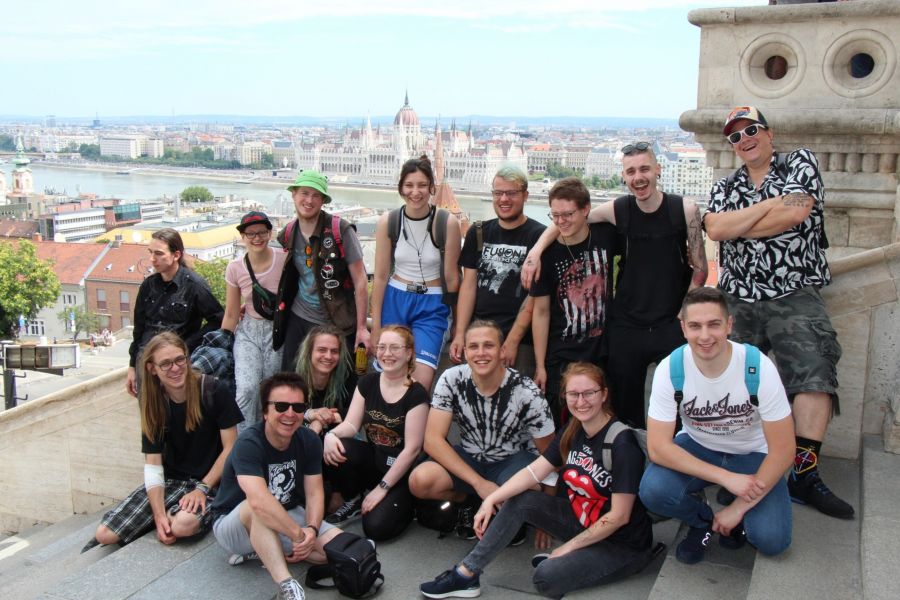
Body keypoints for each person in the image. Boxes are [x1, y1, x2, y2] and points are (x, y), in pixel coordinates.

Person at [703, 106, 853, 519]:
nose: (744, 139)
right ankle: (736, 464)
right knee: (727, 379)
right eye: (735, 136)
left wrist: (741, 222)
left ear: (768, 133)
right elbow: (715, 229)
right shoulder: (724, 185)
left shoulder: (799, 163)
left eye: (751, 130)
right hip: (738, 297)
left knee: (815, 373)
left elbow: (796, 213)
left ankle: (803, 475)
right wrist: (768, 210)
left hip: (793, 292)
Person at [419, 362, 653, 599]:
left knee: (546, 578)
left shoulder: (622, 444)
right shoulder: (574, 430)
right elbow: (533, 472)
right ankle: (466, 573)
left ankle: (575, 558)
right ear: (565, 396)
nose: (581, 401)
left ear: (603, 394)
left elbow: (619, 516)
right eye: (573, 394)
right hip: (584, 521)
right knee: (522, 499)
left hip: (623, 544)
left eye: (589, 393)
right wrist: (491, 499)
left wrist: (569, 546)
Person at [522, 143, 707, 428]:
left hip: (670, 321)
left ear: (658, 169)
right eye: (631, 171)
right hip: (626, 326)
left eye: (644, 169)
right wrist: (536, 251)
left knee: (681, 403)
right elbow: (565, 219)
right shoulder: (619, 210)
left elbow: (700, 269)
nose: (638, 177)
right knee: (626, 409)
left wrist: (685, 315)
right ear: (624, 175)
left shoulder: (684, 209)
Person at [639, 287, 794, 564]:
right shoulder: (671, 368)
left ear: (729, 324)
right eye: (695, 326)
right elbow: (658, 448)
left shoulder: (757, 367)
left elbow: (783, 450)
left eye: (714, 324)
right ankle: (703, 521)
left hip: (753, 454)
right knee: (653, 490)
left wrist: (737, 508)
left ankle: (736, 520)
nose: (705, 336)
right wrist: (725, 478)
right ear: (684, 328)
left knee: (773, 540)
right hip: (699, 446)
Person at [86, 332, 242, 551]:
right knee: (104, 535)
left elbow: (231, 447)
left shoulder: (213, 390)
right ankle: (168, 512)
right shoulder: (153, 401)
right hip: (172, 482)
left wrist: (202, 488)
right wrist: (159, 517)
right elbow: (153, 463)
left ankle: (186, 512)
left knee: (182, 526)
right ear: (152, 368)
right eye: (166, 364)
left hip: (212, 482)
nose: (175, 368)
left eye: (180, 360)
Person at [408, 320, 555, 538]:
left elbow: (551, 454)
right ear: (465, 352)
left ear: (502, 350)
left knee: (527, 492)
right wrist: (480, 484)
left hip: (513, 460)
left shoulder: (526, 391)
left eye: (489, 345)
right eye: (474, 347)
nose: (481, 353)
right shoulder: (451, 379)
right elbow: (432, 440)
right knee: (420, 481)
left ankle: (510, 511)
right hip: (471, 457)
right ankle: (471, 502)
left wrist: (547, 515)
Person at [210, 372, 345, 600]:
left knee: (338, 551)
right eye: (281, 406)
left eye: (298, 407)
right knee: (257, 508)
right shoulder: (249, 443)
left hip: (287, 513)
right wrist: (298, 536)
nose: (290, 414)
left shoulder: (309, 440)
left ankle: (270, 550)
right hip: (236, 523)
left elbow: (314, 492)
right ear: (265, 411)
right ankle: (287, 586)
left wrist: (311, 529)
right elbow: (258, 501)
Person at [322, 325, 429, 540]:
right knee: (340, 446)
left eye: (395, 348)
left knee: (376, 529)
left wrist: (382, 488)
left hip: (402, 471)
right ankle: (353, 497)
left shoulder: (416, 395)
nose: (387, 354)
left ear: (409, 353)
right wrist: (330, 436)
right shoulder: (368, 382)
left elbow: (412, 449)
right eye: (382, 347)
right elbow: (352, 425)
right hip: (375, 459)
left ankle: (408, 503)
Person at [528, 177, 619, 422]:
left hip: (601, 351)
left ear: (586, 209)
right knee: (562, 424)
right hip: (562, 355)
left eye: (568, 214)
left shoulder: (606, 235)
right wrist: (540, 365)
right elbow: (541, 312)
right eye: (555, 216)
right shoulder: (546, 255)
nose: (560, 222)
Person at [371, 155, 461, 392]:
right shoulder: (389, 222)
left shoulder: (446, 222)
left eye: (422, 185)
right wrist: (377, 327)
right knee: (389, 375)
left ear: (432, 187)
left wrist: (459, 327)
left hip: (432, 304)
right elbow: (380, 277)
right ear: (401, 188)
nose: (416, 192)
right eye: (409, 185)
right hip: (396, 297)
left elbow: (453, 279)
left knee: (420, 380)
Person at [450, 164, 545, 375]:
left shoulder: (538, 236)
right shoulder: (479, 232)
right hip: (480, 334)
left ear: (526, 196)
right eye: (498, 193)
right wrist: (460, 333)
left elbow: (535, 297)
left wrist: (512, 340)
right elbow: (469, 286)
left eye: (511, 193)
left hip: (520, 340)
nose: (504, 199)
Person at [272, 170, 370, 373]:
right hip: (300, 315)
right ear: (294, 195)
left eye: (316, 195)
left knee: (340, 381)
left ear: (323, 200)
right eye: (304, 193)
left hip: (337, 318)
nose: (309, 200)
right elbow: (282, 274)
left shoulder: (340, 231)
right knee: (292, 376)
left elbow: (360, 280)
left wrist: (361, 328)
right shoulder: (288, 233)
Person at [127, 228, 224, 396]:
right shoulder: (148, 285)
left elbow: (218, 320)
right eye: (151, 253)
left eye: (159, 254)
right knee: (150, 415)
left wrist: (187, 344)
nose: (152, 259)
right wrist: (132, 367)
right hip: (147, 362)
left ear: (176, 255)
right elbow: (139, 329)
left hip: (176, 365)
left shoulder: (194, 285)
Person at [222, 211, 288, 429]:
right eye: (250, 234)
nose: (256, 238)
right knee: (247, 388)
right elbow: (232, 313)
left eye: (261, 232)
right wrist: (223, 342)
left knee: (269, 390)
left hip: (277, 331)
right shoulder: (235, 268)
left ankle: (267, 437)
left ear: (270, 233)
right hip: (249, 330)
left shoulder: (284, 259)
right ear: (243, 237)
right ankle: (242, 444)